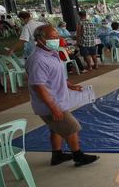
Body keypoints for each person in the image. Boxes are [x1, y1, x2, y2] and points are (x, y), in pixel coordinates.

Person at [25, 25, 99, 167]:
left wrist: (70, 86)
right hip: (50, 103)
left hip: (57, 100)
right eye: (51, 38)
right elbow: (39, 86)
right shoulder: (38, 60)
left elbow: (56, 76)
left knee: (56, 129)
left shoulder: (52, 54)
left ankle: (57, 155)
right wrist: (53, 108)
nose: (56, 40)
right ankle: (78, 156)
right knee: (71, 127)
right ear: (39, 40)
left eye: (56, 37)